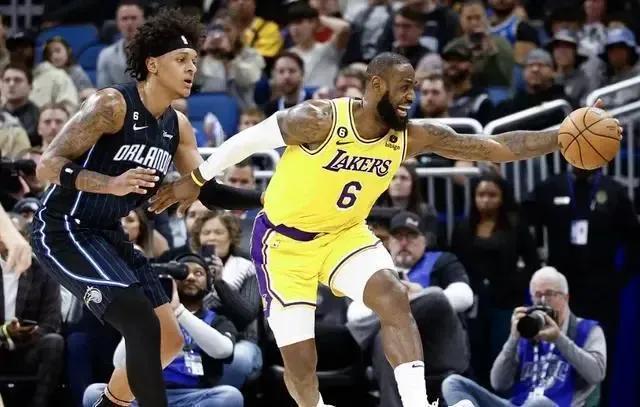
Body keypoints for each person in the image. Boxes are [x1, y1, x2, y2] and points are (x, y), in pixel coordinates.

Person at [150, 52, 620, 407]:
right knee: (302, 366)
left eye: (414, 87)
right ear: (376, 85)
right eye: (403, 87)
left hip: (344, 235)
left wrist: (562, 135)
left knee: (393, 296)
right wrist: (197, 179)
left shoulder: (410, 135)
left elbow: (493, 146)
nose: (411, 95)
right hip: (284, 245)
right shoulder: (318, 119)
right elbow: (246, 141)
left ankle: (417, 403)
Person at [31, 10, 262, 407]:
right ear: (153, 64)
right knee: (139, 321)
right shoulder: (112, 104)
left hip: (107, 233)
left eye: (194, 61)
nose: (191, 68)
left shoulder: (178, 127)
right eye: (181, 60)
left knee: (169, 340)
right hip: (63, 228)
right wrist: (110, 183)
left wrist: (269, 198)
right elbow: (46, 166)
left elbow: (208, 192)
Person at [83, 253, 243, 407]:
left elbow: (224, 351)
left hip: (192, 397)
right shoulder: (149, 316)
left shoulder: (217, 320)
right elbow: (118, 362)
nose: (190, 277)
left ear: (208, 283)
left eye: (198, 273)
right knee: (94, 393)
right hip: (143, 395)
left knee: (230, 396)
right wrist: (145, 312)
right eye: (183, 273)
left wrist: (179, 311)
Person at [353, 211, 474, 406]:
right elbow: (354, 312)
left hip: (438, 345)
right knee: (387, 334)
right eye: (398, 237)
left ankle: (351, 338)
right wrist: (395, 302)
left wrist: (417, 295)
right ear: (388, 242)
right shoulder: (376, 269)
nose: (403, 243)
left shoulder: (441, 261)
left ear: (424, 240)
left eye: (411, 236)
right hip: (393, 341)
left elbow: (465, 296)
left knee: (434, 297)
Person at [442, 267, 607, 407]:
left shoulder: (588, 329)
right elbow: (498, 383)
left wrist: (559, 339)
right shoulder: (528, 330)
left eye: (549, 294)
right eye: (537, 295)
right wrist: (513, 338)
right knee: (453, 383)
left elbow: (596, 374)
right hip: (518, 404)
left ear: (566, 297)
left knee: (539, 403)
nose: (543, 301)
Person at [451, 173, 540, 386]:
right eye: (481, 195)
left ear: (502, 198)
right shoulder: (463, 227)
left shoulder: (515, 225)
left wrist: (517, 282)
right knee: (475, 353)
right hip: (474, 303)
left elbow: (533, 261)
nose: (486, 200)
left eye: (492, 195)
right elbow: (455, 262)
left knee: (502, 353)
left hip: (506, 301)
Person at [0, 217, 63, 407]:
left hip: (29, 348)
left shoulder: (44, 271)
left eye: (17, 235)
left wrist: (27, 334)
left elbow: (52, 321)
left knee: (54, 342)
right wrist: (5, 332)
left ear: (26, 239)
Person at [97, 0, 145, 88]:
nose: (129, 23)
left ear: (143, 21)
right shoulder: (106, 55)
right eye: (124, 19)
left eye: (134, 18)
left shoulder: (156, 52)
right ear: (118, 23)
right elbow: (103, 89)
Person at [42, 36, 97, 101]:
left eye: (58, 51)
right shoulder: (45, 74)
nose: (54, 56)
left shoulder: (76, 72)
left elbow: (88, 95)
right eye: (50, 54)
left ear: (68, 50)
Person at [1, 62, 40, 145]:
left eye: (17, 80)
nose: (11, 84)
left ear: (30, 86)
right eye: (7, 80)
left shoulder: (39, 117)